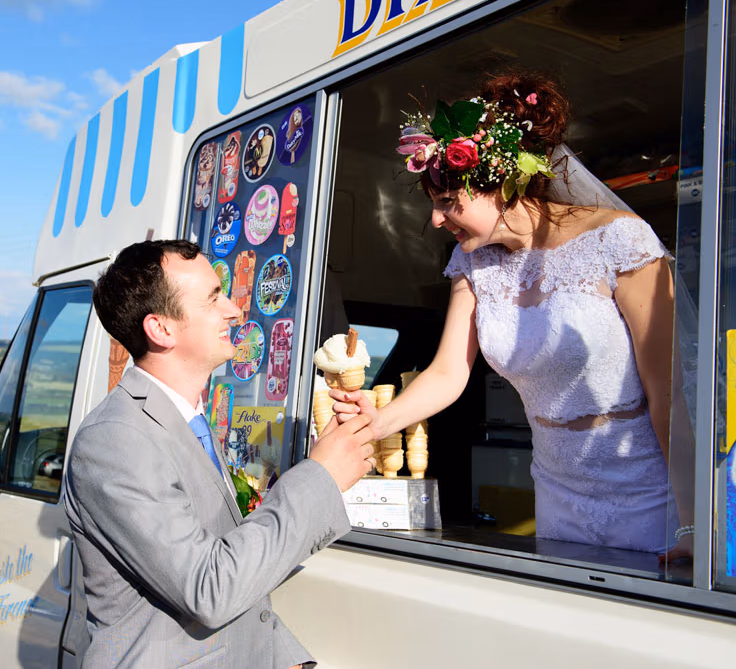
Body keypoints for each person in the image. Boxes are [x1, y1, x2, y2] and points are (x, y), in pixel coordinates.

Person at [332, 72, 691, 558]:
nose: (437, 219)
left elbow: (667, 393)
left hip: (648, 494)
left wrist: (693, 527)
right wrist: (379, 423)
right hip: (558, 494)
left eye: (447, 201)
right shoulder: (472, 263)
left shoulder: (619, 241)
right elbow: (448, 373)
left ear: (502, 185)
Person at [63, 239, 378, 668]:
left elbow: (236, 574)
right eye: (213, 299)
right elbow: (209, 588)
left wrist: (288, 659)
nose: (233, 309)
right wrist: (321, 474)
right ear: (162, 329)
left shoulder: (188, 422)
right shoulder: (114, 440)